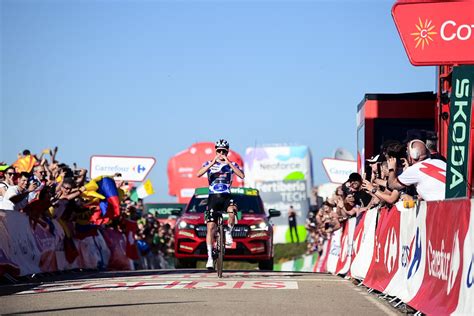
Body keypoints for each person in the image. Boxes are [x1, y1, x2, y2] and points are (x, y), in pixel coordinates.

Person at [196, 139, 245, 269]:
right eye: (219, 151)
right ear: (215, 151)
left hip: (226, 195)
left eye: (224, 151)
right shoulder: (209, 163)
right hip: (213, 197)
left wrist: (229, 163)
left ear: (227, 152)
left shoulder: (231, 164)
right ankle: (210, 258)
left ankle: (228, 231)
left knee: (232, 210)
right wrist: (212, 162)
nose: (221, 153)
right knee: (210, 227)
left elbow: (241, 175)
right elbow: (198, 174)